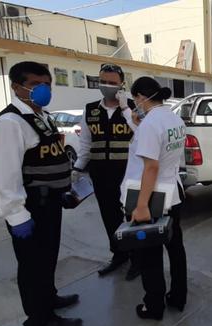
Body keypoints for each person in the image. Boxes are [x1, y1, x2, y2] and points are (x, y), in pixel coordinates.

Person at [0, 62, 82, 326]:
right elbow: (6, 176)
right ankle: (40, 320)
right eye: (35, 85)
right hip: (29, 208)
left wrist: (64, 190)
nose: (42, 90)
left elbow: (52, 156)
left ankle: (49, 299)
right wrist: (17, 216)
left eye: (47, 84)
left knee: (48, 258)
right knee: (32, 267)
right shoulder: (10, 122)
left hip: (51, 202)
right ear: (16, 87)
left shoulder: (43, 116)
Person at [122, 77, 187, 320]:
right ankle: (178, 296)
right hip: (173, 193)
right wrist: (137, 123)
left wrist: (140, 206)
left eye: (135, 99)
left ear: (140, 97)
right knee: (176, 248)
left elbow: (151, 167)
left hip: (151, 198)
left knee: (149, 255)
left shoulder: (151, 124)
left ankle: (154, 306)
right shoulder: (174, 118)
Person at [72, 63, 140, 280]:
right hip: (101, 173)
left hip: (128, 173)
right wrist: (77, 168)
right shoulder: (90, 109)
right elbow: (85, 143)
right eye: (103, 82)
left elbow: (143, 134)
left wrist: (125, 109)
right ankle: (119, 254)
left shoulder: (133, 108)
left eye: (112, 83)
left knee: (132, 217)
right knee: (110, 217)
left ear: (121, 84)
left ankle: (137, 260)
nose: (107, 86)